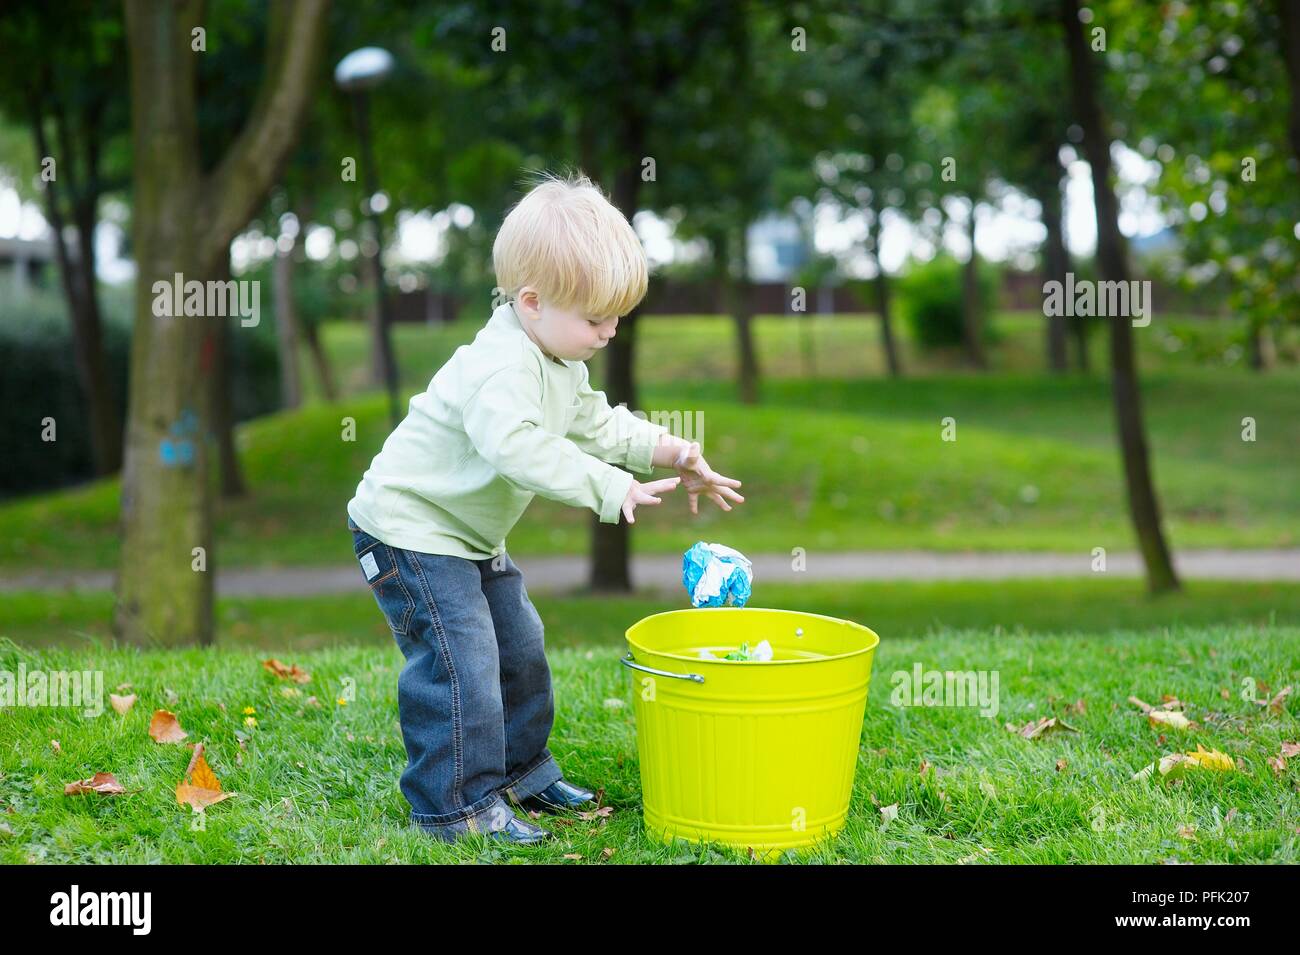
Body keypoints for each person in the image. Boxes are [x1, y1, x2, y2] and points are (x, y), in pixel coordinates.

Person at [346, 170, 744, 844]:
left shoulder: (560, 360)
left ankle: (522, 774)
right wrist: (610, 489)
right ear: (531, 302)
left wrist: (672, 451)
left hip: (467, 534)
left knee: (520, 648)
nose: (610, 330)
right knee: (460, 662)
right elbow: (519, 449)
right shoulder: (500, 368)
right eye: (596, 318)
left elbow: (600, 425)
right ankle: (456, 809)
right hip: (410, 531)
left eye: (617, 315)